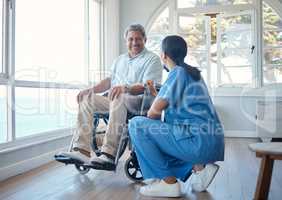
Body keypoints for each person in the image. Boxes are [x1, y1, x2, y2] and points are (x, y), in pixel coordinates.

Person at [128, 35, 225, 197]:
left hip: (197, 143)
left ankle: (167, 182)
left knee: (136, 124)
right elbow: (178, 107)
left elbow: (153, 114)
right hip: (210, 142)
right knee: (166, 131)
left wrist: (152, 119)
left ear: (163, 55)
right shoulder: (193, 74)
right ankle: (199, 169)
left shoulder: (177, 73)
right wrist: (156, 96)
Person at [60, 24, 162, 169]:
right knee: (87, 98)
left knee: (119, 96)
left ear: (145, 39)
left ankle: (109, 153)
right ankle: (81, 150)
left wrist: (125, 88)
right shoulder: (120, 59)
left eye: (138, 39)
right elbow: (109, 81)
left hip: (138, 102)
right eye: (131, 39)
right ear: (126, 40)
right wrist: (91, 89)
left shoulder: (152, 59)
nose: (134, 42)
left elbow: (148, 86)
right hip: (115, 99)